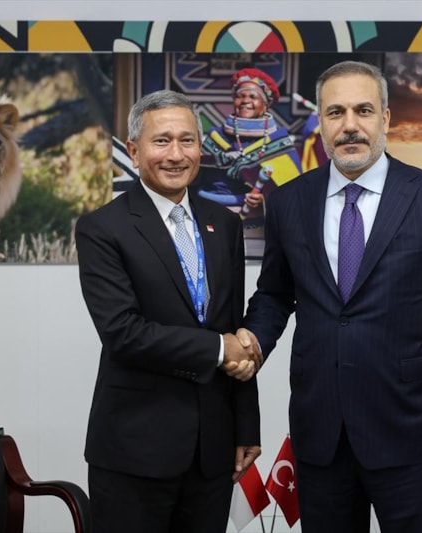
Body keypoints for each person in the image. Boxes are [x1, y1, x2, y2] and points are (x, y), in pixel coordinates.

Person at [240, 61, 422, 532]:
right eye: (336, 112)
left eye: (363, 110)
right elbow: (274, 295)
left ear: (386, 118)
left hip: (412, 432)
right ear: (321, 122)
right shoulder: (288, 202)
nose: (350, 125)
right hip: (321, 432)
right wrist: (250, 342)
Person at [75, 89, 262, 533]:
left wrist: (246, 426)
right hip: (135, 452)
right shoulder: (103, 229)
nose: (176, 155)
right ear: (134, 150)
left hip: (212, 452)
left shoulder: (225, 224)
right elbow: (123, 333)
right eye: (161, 141)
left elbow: (233, 324)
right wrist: (219, 349)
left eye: (187, 140)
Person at [197, 67, 302, 226]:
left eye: (253, 96)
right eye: (240, 96)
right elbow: (195, 177)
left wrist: (263, 198)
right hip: (210, 216)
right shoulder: (216, 136)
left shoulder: (278, 141)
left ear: (265, 105)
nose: (245, 101)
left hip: (256, 222)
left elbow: (291, 191)